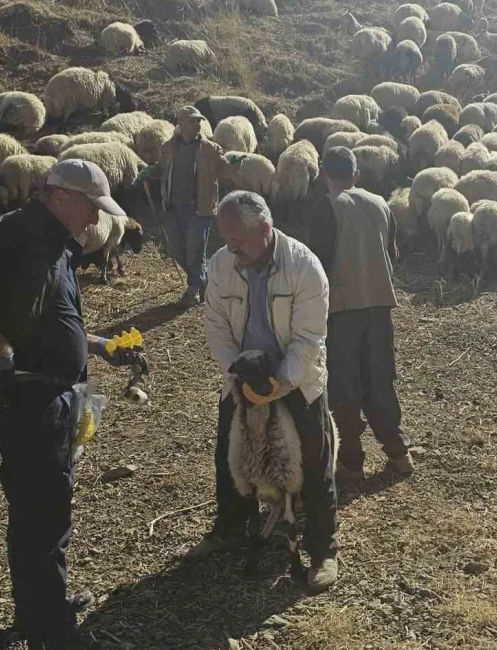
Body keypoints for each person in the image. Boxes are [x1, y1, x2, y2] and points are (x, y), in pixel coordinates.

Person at [0, 160, 142, 650]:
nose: (93, 220)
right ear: (61, 197)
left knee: (47, 502)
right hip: (27, 393)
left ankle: (42, 607)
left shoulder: (57, 243)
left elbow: (50, 318)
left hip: (54, 391)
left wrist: (101, 345)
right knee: (41, 506)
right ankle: (52, 633)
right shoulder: (17, 232)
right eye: (90, 208)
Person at [192, 190, 339, 593]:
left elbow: (309, 337)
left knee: (313, 456)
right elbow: (217, 326)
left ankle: (323, 547)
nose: (230, 247)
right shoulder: (223, 266)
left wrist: (281, 383)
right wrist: (237, 374)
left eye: (237, 239)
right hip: (245, 376)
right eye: (225, 238)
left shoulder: (305, 267)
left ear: (266, 230)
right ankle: (229, 528)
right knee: (230, 452)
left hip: (297, 375)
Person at [307, 147, 413, 481]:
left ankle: (352, 461)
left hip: (342, 309)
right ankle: (398, 452)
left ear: (325, 175)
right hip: (380, 306)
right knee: (380, 378)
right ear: (356, 175)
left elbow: (319, 264)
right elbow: (392, 253)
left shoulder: (327, 207)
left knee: (345, 383)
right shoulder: (381, 203)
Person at [156, 105, 231, 307]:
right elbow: (161, 169)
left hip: (200, 209)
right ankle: (203, 282)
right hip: (173, 208)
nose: (198, 124)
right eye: (192, 120)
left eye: (199, 120)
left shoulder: (210, 149)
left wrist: (232, 164)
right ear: (180, 123)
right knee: (177, 249)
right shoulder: (168, 148)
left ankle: (192, 290)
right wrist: (149, 172)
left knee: (195, 250)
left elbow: (224, 167)